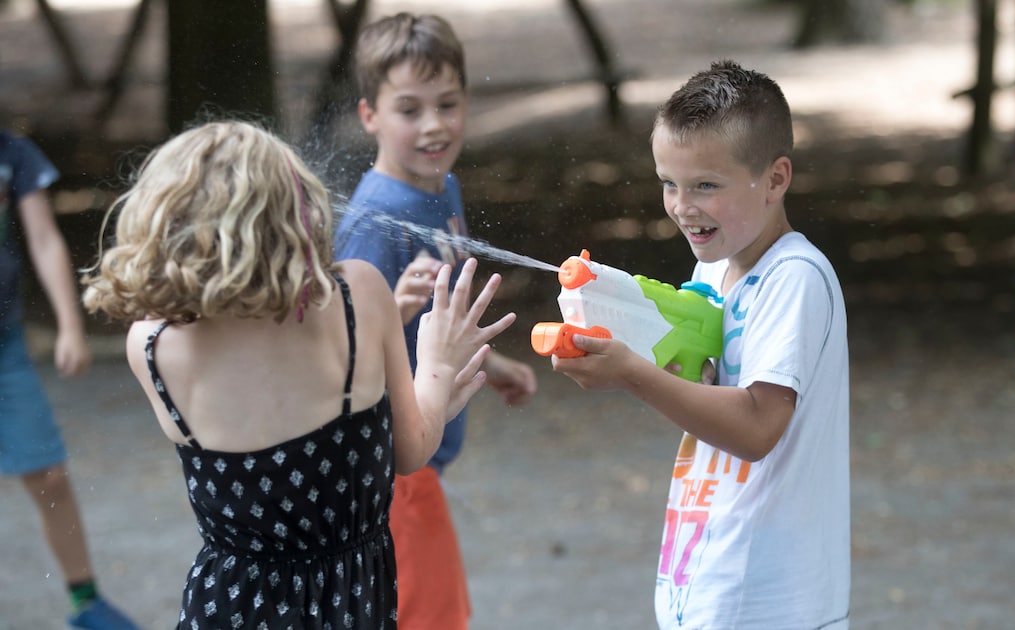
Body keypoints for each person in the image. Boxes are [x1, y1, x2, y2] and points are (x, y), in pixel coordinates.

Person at [80, 121, 515, 628]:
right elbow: (410, 450)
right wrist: (438, 366)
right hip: (348, 603)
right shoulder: (357, 298)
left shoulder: (151, 347)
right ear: (296, 213)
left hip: (229, 606)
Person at [551, 60, 850, 629]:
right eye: (669, 183)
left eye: (705, 186)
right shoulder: (712, 272)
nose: (682, 206)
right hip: (709, 576)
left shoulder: (794, 277)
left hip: (767, 599)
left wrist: (633, 374)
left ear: (776, 178)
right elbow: (707, 393)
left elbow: (759, 427)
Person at [334, 13, 538, 629]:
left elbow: (434, 325)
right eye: (409, 109)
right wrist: (388, 306)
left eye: (448, 103)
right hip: (389, 469)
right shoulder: (373, 223)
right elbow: (337, 361)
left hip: (423, 458)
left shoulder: (442, 187)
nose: (434, 125)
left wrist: (489, 364)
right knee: (433, 618)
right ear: (369, 114)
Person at [0, 129, 140, 629]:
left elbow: (42, 237)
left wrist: (69, 324)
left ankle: (86, 602)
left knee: (49, 474)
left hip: (5, 345)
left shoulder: (12, 153)